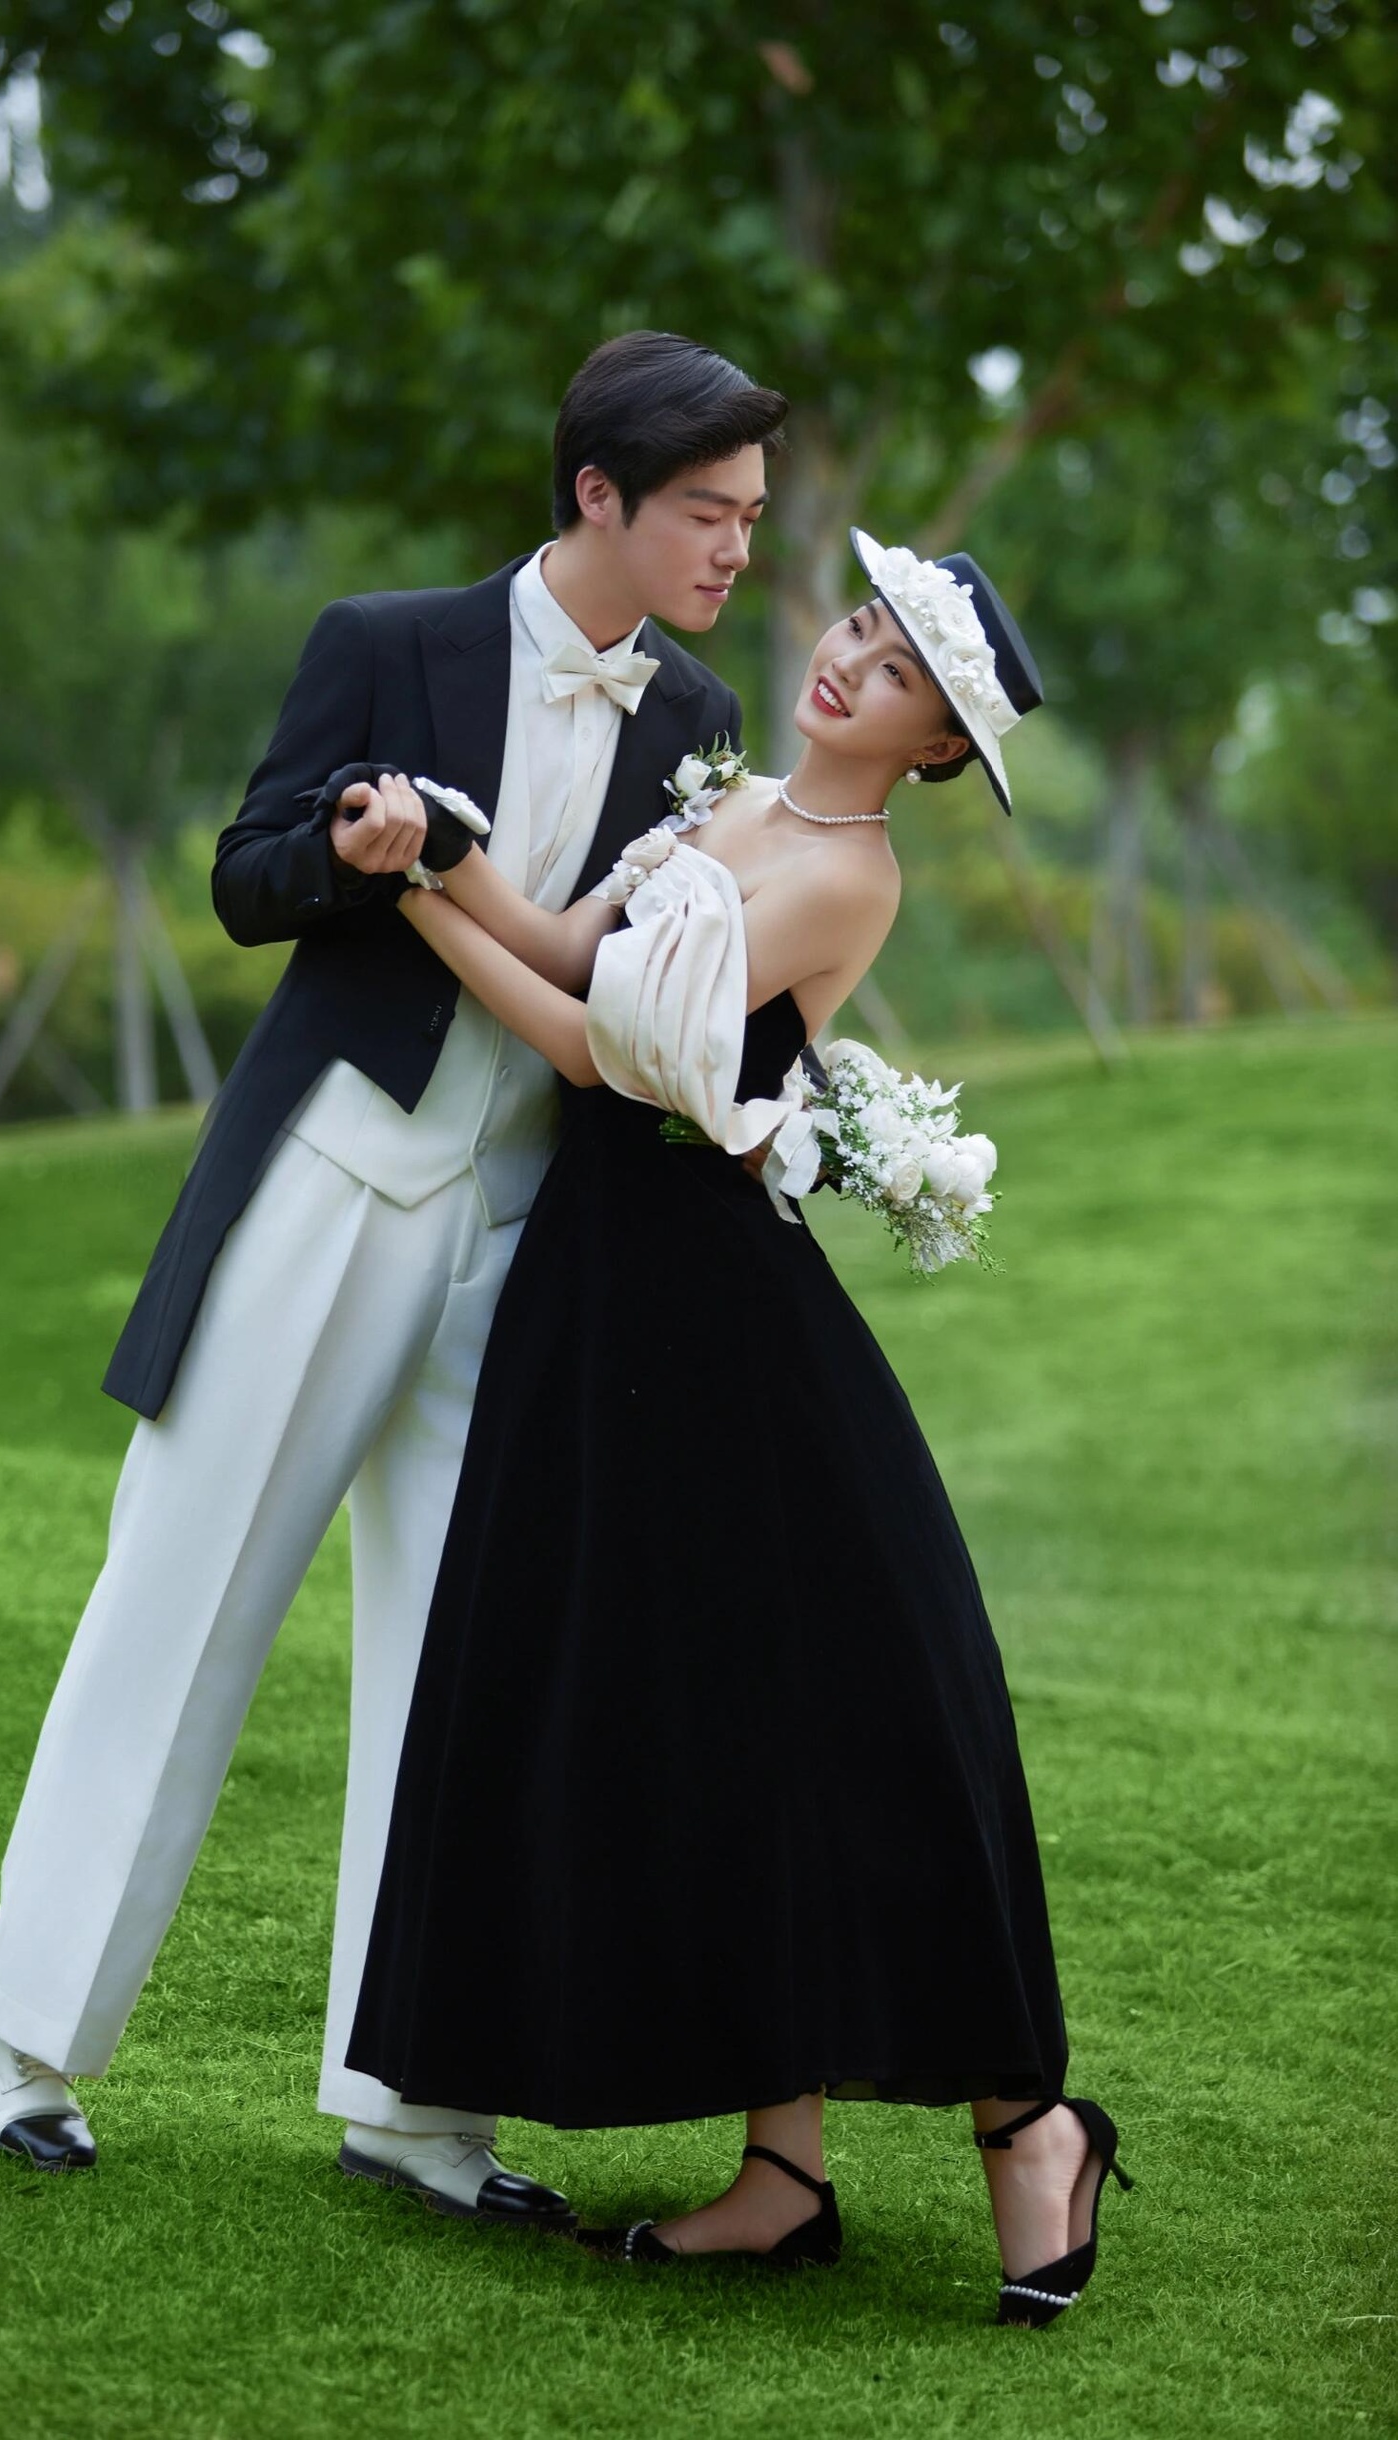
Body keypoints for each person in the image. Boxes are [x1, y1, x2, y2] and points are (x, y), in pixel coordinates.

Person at [0, 332, 787, 2229]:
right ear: (597, 495)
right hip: (332, 1176)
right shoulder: (385, 643)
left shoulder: (701, 714)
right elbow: (243, 876)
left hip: (525, 1231)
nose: (737, 547)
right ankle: (13, 2028)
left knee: (471, 1659)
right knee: (185, 1595)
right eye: (706, 514)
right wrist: (345, 843)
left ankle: (416, 2104)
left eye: (749, 515)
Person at [346, 530, 1132, 2326]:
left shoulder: (849, 877)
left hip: (717, 1315)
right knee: (709, 1716)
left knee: (852, 1706)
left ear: (938, 749)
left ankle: (1029, 2122)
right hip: (601, 1296)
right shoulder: (732, 799)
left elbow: (589, 1047)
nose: (849, 659)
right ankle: (785, 2169)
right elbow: (571, 943)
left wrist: (396, 902)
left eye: (900, 671)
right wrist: (445, 849)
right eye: (859, 625)